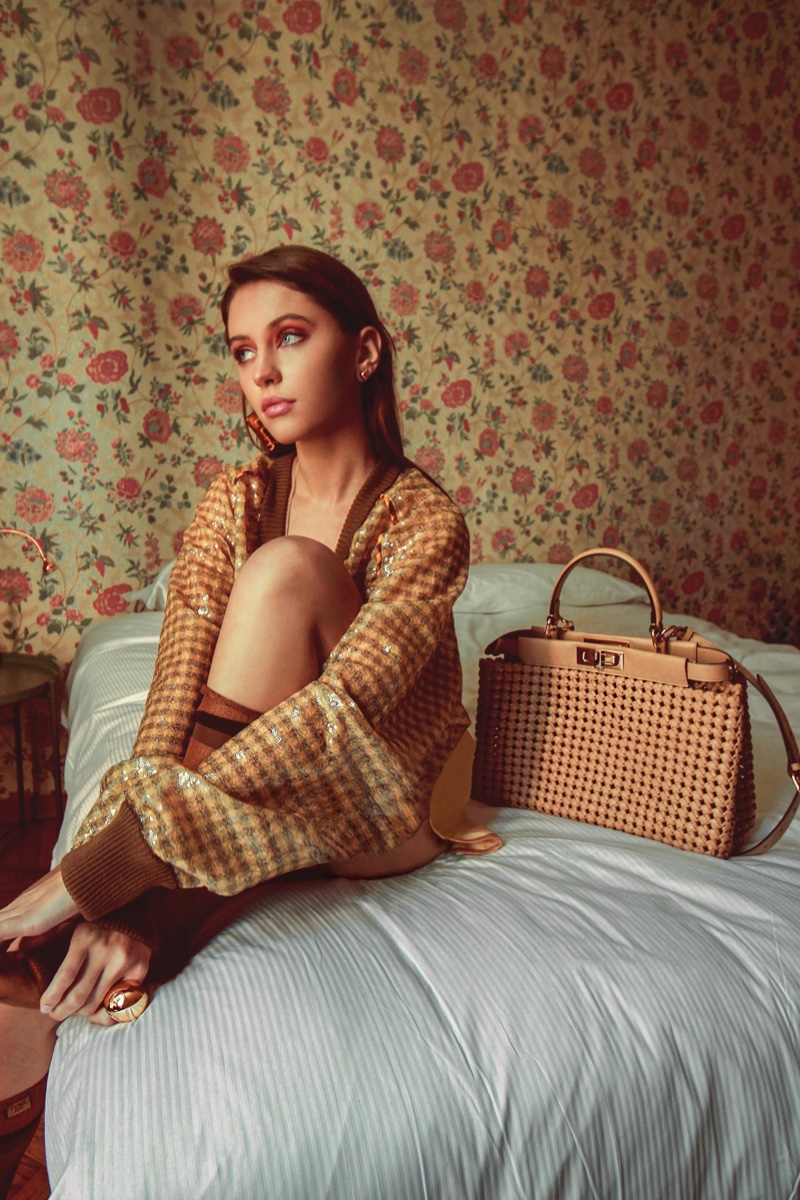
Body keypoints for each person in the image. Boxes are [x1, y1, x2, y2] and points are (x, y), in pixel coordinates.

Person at [0, 244, 499, 1193]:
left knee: (287, 573)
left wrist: (105, 867)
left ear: (362, 352)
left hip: (383, 803)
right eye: (240, 351)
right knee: (227, 637)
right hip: (273, 796)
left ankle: (126, 919)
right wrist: (126, 833)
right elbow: (172, 698)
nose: (261, 372)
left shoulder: (424, 520)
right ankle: (133, 925)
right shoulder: (231, 500)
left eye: (290, 338)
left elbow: (340, 715)